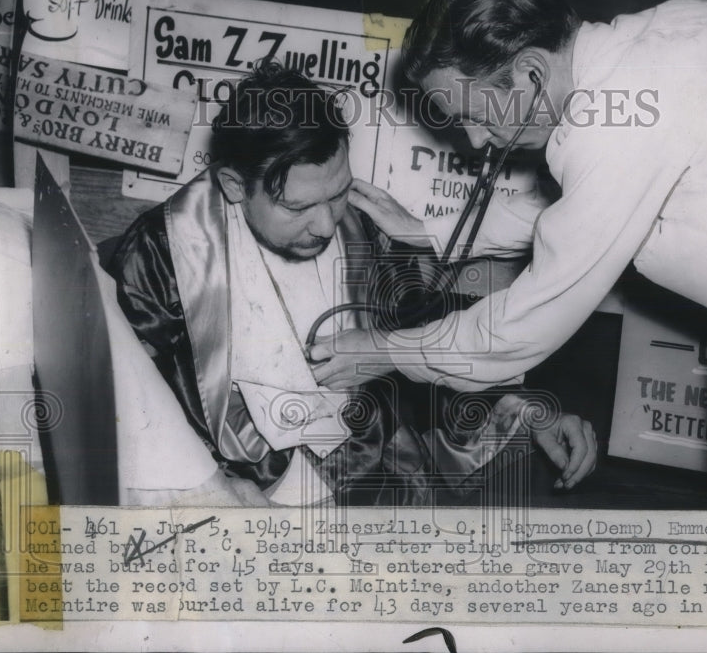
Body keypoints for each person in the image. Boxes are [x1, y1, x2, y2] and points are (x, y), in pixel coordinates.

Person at [310, 0, 707, 508]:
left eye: (475, 116)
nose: (477, 142)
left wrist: (384, 350)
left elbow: (522, 328)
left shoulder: (614, 120)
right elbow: (575, 212)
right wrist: (429, 230)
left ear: (531, 71)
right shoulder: (653, 49)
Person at [108, 61, 594, 506]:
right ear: (236, 186)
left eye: (337, 193)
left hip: (366, 470)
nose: (325, 226)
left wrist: (524, 411)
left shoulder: (366, 229)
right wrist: (206, 481)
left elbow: (425, 345)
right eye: (297, 208)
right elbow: (134, 399)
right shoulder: (163, 251)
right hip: (241, 488)